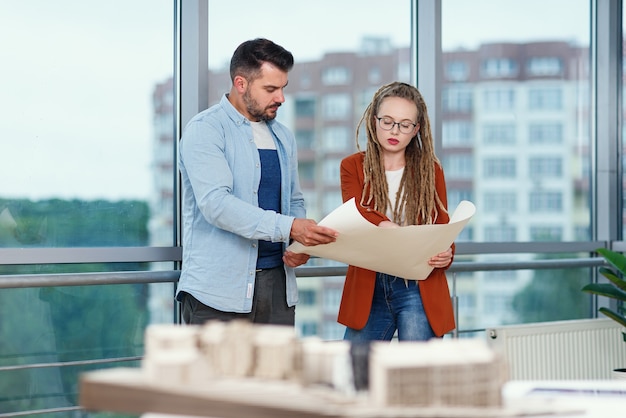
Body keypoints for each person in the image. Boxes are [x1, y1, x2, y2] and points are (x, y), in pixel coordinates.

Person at [176, 38, 338, 326]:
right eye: (270, 89)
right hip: (218, 294)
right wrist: (289, 227)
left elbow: (294, 199)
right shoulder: (205, 130)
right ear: (241, 83)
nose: (281, 98)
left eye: (283, 88)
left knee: (278, 373)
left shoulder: (284, 137)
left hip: (277, 290)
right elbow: (217, 205)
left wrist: (299, 245)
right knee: (219, 374)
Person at [338, 81, 455, 342]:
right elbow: (356, 212)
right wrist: (388, 227)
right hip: (369, 283)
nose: (395, 131)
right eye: (387, 121)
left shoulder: (431, 171)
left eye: (404, 125)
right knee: (353, 371)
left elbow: (443, 226)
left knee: (414, 375)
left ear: (416, 130)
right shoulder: (352, 166)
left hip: (417, 285)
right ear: (374, 120)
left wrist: (446, 252)